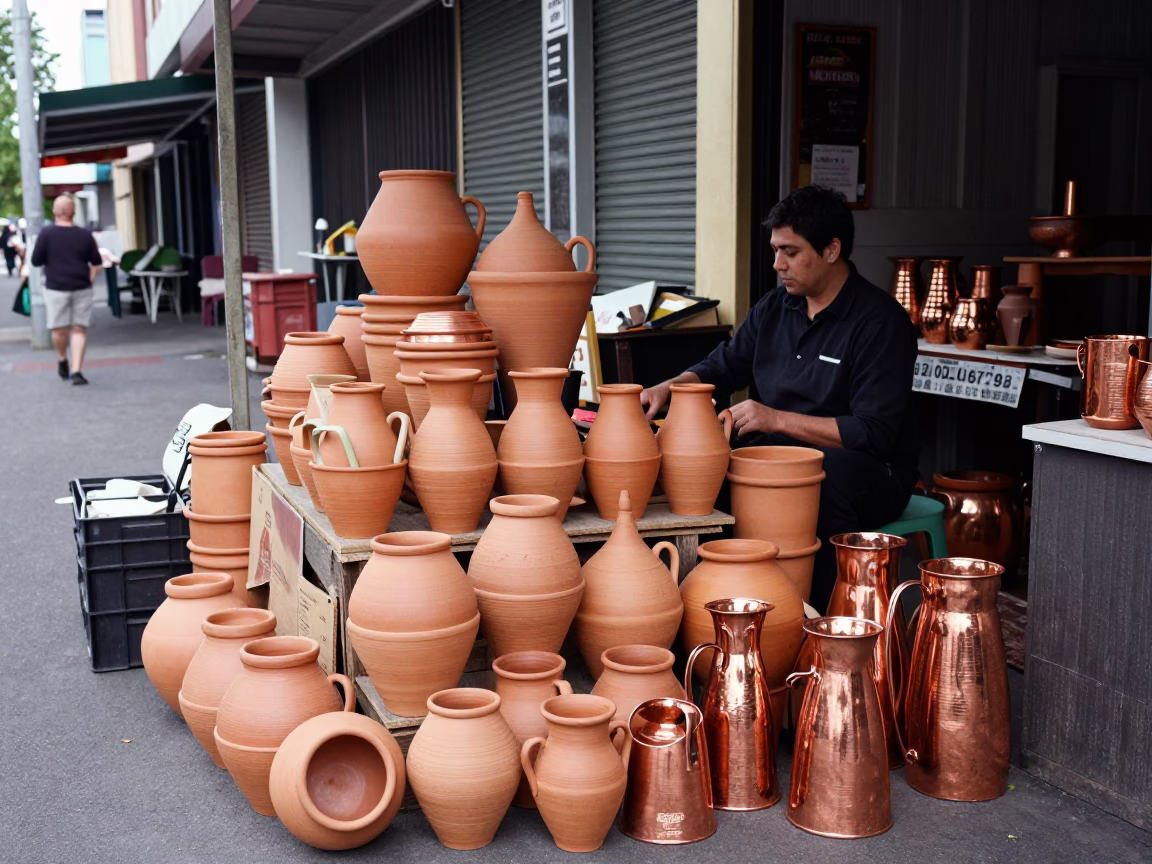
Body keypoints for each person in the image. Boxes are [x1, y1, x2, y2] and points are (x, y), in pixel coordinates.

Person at [641, 185, 918, 612]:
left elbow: (873, 432)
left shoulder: (880, 323)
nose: (777, 264)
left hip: (868, 468)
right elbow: (723, 365)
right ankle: (726, 603)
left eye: (790, 251)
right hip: (782, 454)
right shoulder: (776, 307)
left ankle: (821, 620)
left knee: (820, 485)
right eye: (775, 250)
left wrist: (773, 418)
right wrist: (671, 387)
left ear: (831, 250)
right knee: (709, 472)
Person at [30, 196, 103, 385]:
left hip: (55, 288)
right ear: (73, 212)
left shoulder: (46, 234)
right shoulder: (85, 235)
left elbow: (36, 260)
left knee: (59, 329)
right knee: (79, 329)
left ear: (55, 212)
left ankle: (63, 359)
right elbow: (97, 262)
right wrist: (91, 277)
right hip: (82, 286)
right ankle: (76, 371)